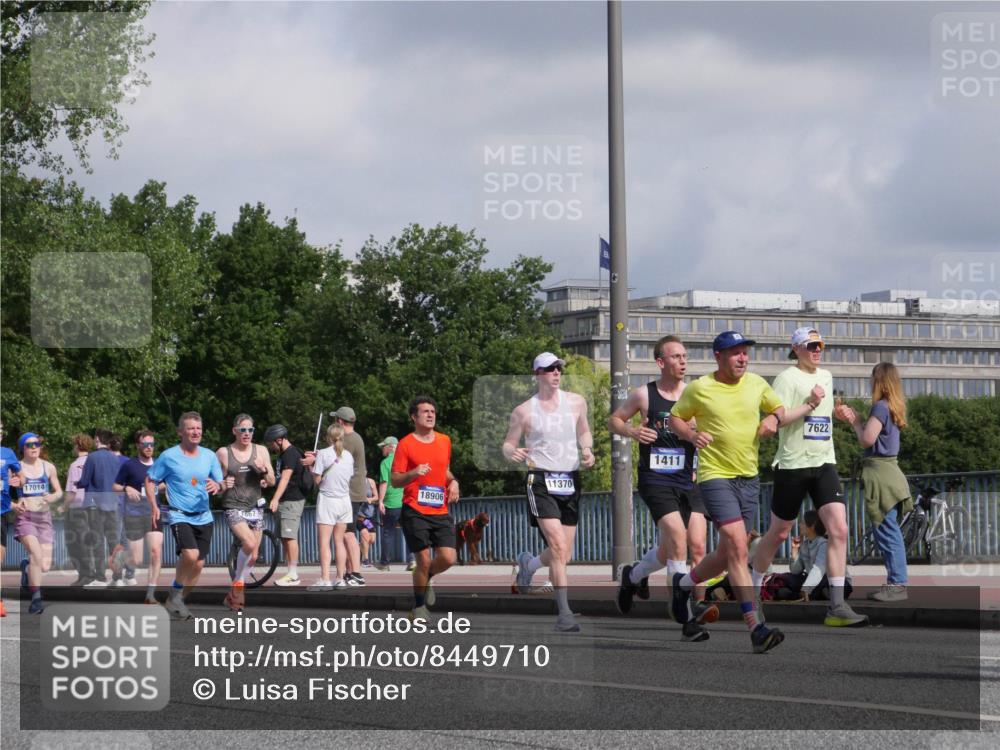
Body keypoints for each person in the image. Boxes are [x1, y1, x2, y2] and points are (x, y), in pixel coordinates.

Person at [668, 331, 787, 653]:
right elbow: (675, 418)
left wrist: (774, 420)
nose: (742, 358)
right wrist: (692, 435)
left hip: (748, 478)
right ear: (718, 356)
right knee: (736, 544)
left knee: (725, 556)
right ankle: (755, 628)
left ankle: (683, 585)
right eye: (735, 353)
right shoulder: (700, 388)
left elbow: (779, 409)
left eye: (745, 352)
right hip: (714, 476)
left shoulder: (757, 383)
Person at [749, 327, 868, 627]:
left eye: (821, 345)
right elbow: (779, 419)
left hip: (824, 462)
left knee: (839, 529)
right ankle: (751, 591)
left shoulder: (826, 376)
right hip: (792, 464)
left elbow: (821, 420)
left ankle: (837, 606)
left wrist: (837, 414)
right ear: (796, 348)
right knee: (778, 534)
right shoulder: (786, 378)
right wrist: (811, 404)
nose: (818, 350)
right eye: (811, 345)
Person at [608, 336, 718, 640]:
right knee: (678, 538)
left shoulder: (694, 395)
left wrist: (702, 433)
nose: (683, 361)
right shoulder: (645, 395)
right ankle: (685, 617)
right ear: (661, 362)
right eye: (676, 356)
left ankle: (633, 575)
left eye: (685, 356)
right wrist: (632, 430)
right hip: (656, 480)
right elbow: (613, 420)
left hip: (689, 480)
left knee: (694, 547)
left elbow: (710, 428)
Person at [504, 352, 596, 633]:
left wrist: (587, 449)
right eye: (549, 369)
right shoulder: (524, 410)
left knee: (564, 553)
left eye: (559, 368)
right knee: (557, 545)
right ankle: (564, 614)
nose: (556, 372)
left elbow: (584, 431)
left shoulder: (576, 402)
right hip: (541, 479)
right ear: (537, 374)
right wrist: (513, 452)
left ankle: (529, 565)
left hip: (569, 479)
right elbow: (507, 444)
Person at [835, 362, 912, 602]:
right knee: (890, 530)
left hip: (880, 475)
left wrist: (855, 422)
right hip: (892, 473)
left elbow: (867, 439)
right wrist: (858, 418)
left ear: (878, 381)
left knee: (887, 531)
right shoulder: (893, 406)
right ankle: (895, 582)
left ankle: (897, 584)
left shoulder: (880, 407)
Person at [145, 412, 223, 620]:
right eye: (191, 428)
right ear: (181, 432)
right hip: (179, 515)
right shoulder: (169, 456)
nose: (196, 432)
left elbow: (221, 483)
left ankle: (176, 599)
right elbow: (150, 480)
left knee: (198, 564)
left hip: (204, 516)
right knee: (190, 554)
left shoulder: (209, 456)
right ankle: (175, 592)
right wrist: (154, 505)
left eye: (198, 428)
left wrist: (217, 485)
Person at [391, 395, 461, 622]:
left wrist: (454, 481)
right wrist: (413, 473)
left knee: (449, 558)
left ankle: (427, 576)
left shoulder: (445, 441)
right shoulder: (405, 444)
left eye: (433, 411)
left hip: (439, 510)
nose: (430, 415)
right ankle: (418, 608)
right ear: (414, 416)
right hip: (414, 509)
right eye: (425, 411)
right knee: (421, 559)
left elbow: (445, 471)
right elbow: (394, 479)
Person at [217, 414, 274, 610]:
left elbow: (273, 480)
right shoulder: (224, 453)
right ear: (235, 431)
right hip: (233, 505)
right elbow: (214, 486)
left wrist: (264, 470)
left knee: (254, 555)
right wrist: (223, 484)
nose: (247, 434)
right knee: (249, 542)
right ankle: (239, 590)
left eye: (250, 430)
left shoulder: (262, 451)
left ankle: (232, 592)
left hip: (255, 507)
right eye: (243, 430)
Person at [13, 432, 63, 614]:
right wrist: (13, 504)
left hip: (44, 518)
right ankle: (36, 599)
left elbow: (59, 492)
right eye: (29, 445)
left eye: (37, 444)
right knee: (36, 553)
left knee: (44, 565)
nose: (34, 448)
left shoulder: (48, 467)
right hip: (25, 517)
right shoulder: (16, 467)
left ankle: (26, 567)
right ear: (22, 448)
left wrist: (52, 496)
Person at [113, 431, 164, 603]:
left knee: (156, 552)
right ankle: (120, 557)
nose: (149, 448)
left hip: (153, 514)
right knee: (136, 559)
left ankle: (150, 593)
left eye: (152, 444)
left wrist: (163, 487)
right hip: (134, 515)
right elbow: (115, 486)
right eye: (145, 444)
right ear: (138, 445)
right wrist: (127, 488)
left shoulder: (159, 464)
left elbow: (164, 483)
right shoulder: (129, 465)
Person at [309, 424, 356, 591]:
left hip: (328, 500)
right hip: (344, 501)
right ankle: (340, 578)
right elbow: (348, 477)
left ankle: (325, 578)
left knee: (324, 542)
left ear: (328, 437)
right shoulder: (349, 456)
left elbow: (317, 480)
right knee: (339, 541)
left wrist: (311, 467)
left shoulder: (322, 453)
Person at [773, 510, 854, 602]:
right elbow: (796, 571)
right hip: (815, 581)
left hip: (835, 582)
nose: (800, 525)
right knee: (791, 579)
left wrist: (807, 587)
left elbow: (818, 570)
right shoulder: (805, 544)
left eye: (803, 523)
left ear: (812, 526)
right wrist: (794, 552)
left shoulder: (825, 544)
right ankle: (816, 594)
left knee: (825, 582)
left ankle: (799, 594)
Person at [77, 429, 122, 586]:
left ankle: (101, 577)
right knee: (114, 541)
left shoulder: (92, 458)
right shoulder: (115, 459)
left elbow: (84, 481)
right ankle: (118, 577)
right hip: (113, 503)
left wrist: (78, 482)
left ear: (97, 439)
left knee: (97, 541)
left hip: (95, 504)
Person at [264, 424, 308, 586]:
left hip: (292, 500)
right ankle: (290, 572)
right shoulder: (283, 455)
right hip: (286, 499)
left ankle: (293, 574)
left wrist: (274, 499)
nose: (271, 447)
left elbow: (286, 479)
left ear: (280, 439)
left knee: (289, 537)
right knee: (284, 537)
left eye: (272, 443)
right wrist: (267, 482)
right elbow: (280, 478)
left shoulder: (291, 454)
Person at [375, 436, 410, 571]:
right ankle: (412, 560)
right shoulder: (406, 461)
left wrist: (380, 501)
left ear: (390, 447)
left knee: (388, 532)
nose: (382, 449)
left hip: (391, 503)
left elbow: (384, 482)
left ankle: (384, 563)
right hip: (407, 501)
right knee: (409, 532)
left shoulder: (385, 462)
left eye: (383, 446)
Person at [0, 421, 22, 617]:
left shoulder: (8, 453)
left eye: (0, 430)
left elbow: (20, 477)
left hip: (2, 510)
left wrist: (17, 480)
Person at [358, 479, 378, 567]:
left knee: (372, 539)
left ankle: (357, 549)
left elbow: (376, 497)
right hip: (359, 516)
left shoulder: (371, 482)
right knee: (365, 535)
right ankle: (365, 560)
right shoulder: (354, 481)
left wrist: (370, 499)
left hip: (369, 516)